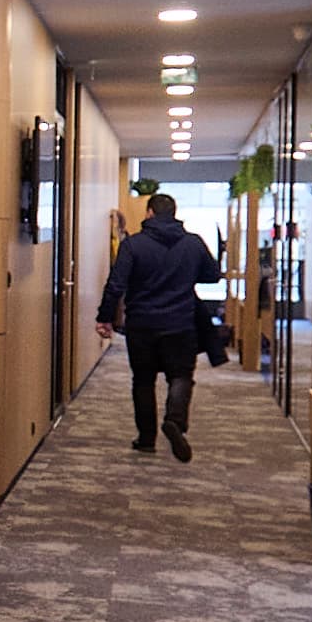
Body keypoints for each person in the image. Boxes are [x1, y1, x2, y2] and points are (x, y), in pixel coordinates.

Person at [95, 191, 222, 461]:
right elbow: (213, 275)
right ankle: (174, 420)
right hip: (181, 323)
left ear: (150, 213)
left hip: (142, 325)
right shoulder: (193, 243)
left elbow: (116, 284)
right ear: (174, 214)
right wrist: (186, 274)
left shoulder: (133, 245)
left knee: (143, 381)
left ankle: (146, 439)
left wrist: (104, 317)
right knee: (181, 376)